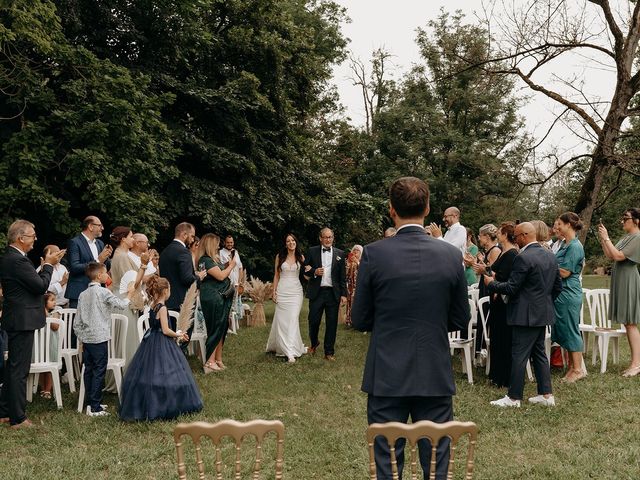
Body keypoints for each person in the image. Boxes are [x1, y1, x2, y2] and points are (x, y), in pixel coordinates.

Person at [352, 177, 470, 480]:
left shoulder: (374, 253)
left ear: (392, 210)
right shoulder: (450, 255)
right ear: (428, 208)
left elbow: (361, 318)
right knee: (436, 465)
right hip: (433, 369)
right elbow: (460, 318)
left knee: (388, 465)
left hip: (387, 373)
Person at [485, 222, 562, 408]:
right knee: (540, 354)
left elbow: (512, 287)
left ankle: (513, 397)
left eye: (518, 235)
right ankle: (546, 394)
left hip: (524, 314)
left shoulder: (524, 257)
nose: (515, 239)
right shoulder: (550, 255)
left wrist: (491, 284)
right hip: (542, 313)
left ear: (526, 235)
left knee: (519, 355)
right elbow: (558, 286)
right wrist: (544, 302)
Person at [0, 220, 64, 428]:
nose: (35, 238)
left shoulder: (13, 258)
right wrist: (47, 265)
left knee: (13, 368)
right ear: (20, 238)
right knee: (20, 370)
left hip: (17, 318)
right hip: (21, 320)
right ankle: (18, 418)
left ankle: (4, 411)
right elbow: (39, 286)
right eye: (32, 235)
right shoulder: (17, 260)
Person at [119, 276, 203, 421]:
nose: (170, 291)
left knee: (150, 371)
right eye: (169, 289)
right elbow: (165, 330)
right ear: (165, 291)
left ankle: (147, 401)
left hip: (150, 340)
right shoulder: (162, 308)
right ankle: (166, 403)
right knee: (166, 370)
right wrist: (178, 334)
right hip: (163, 341)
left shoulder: (152, 305)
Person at [74, 262, 140, 416]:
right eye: (106, 273)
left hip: (87, 339)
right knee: (99, 370)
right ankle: (95, 406)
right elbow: (121, 305)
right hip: (100, 338)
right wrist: (129, 294)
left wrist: (81, 337)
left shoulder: (82, 294)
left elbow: (77, 321)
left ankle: (90, 403)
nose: (108, 276)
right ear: (99, 276)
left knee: (89, 370)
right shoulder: (103, 292)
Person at [598, 208, 640, 377]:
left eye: (626, 218)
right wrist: (603, 240)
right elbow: (610, 255)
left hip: (629, 280)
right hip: (621, 279)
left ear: (637, 220)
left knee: (630, 322)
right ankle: (636, 362)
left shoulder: (638, 237)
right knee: (627, 323)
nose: (623, 221)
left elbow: (619, 256)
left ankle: (636, 364)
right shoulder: (626, 237)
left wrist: (607, 237)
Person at [303, 228, 347, 361]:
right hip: (317, 292)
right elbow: (304, 270)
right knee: (313, 321)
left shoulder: (340, 253)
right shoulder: (312, 251)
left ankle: (329, 352)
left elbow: (342, 277)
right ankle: (314, 342)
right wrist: (315, 272)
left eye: (330, 237)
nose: (328, 240)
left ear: (333, 238)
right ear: (320, 238)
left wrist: (344, 294)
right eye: (325, 237)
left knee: (332, 323)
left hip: (333, 293)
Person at [552, 212, 586, 383]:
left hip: (569, 292)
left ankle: (578, 369)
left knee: (571, 329)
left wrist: (547, 263)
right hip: (560, 293)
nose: (557, 227)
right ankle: (573, 367)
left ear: (568, 225)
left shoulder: (575, 246)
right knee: (564, 329)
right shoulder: (565, 244)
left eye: (560, 224)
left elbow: (565, 272)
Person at [266, 233, 308, 363]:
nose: (291, 243)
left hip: (296, 292)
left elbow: (306, 276)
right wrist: (274, 291)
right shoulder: (280, 257)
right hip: (283, 291)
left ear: (296, 242)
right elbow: (276, 276)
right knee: (282, 320)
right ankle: (286, 349)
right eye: (288, 241)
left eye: (293, 240)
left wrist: (313, 273)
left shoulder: (301, 257)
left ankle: (290, 350)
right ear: (286, 244)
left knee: (293, 319)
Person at [486, 222, 518, 388]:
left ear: (505, 234)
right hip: (497, 300)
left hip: (504, 302)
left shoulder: (512, 254)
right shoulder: (504, 252)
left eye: (499, 232)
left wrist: (492, 280)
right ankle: (496, 375)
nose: (497, 234)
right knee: (496, 338)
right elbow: (493, 271)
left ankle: (503, 377)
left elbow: (503, 277)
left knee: (503, 339)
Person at [197, 234, 236, 373]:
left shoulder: (212, 259)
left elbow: (219, 271)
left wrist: (225, 265)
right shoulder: (205, 260)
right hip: (214, 297)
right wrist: (231, 266)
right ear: (210, 245)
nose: (219, 246)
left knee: (222, 327)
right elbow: (220, 276)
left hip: (221, 297)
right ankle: (209, 361)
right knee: (215, 327)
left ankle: (218, 359)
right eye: (216, 244)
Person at [159, 222, 205, 329]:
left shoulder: (165, 251)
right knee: (182, 340)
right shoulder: (184, 252)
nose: (193, 240)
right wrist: (199, 277)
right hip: (181, 303)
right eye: (192, 236)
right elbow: (187, 279)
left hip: (167, 301)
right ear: (184, 234)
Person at [65, 216, 112, 308]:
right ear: (90, 226)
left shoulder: (100, 243)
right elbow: (74, 267)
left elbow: (105, 267)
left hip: (98, 292)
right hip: (79, 291)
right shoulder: (75, 242)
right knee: (77, 322)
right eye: (99, 225)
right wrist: (98, 260)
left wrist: (106, 258)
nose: (102, 228)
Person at [38, 292, 61, 399]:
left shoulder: (56, 312)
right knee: (41, 367)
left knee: (50, 366)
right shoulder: (38, 313)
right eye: (51, 300)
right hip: (41, 344)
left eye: (54, 300)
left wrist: (46, 313)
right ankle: (42, 387)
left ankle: (48, 389)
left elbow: (55, 326)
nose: (54, 302)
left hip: (51, 344)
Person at [219, 235, 245, 322]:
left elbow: (240, 267)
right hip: (226, 283)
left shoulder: (236, 252)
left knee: (235, 304)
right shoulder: (221, 253)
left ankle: (234, 323)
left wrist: (239, 282)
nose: (230, 244)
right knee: (227, 304)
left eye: (231, 242)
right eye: (228, 242)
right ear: (224, 243)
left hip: (236, 283)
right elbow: (221, 268)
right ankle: (226, 323)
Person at [345, 244, 363, 326]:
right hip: (350, 286)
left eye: (357, 250)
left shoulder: (363, 261)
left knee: (357, 303)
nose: (355, 252)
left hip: (359, 286)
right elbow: (346, 274)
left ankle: (357, 321)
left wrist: (357, 262)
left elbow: (364, 272)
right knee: (349, 303)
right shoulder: (349, 262)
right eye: (354, 250)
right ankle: (349, 320)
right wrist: (348, 265)